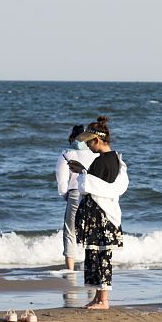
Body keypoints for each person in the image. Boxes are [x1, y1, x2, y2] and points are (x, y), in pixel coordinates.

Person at [69, 117, 129, 310]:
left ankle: (103, 300)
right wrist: (84, 171)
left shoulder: (101, 161)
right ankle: (97, 297)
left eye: (88, 142)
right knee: (96, 254)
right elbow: (101, 184)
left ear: (96, 140)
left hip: (99, 215)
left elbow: (89, 186)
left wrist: (81, 172)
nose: (87, 146)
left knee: (100, 255)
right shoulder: (115, 160)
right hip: (104, 213)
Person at [55, 124, 98, 271]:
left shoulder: (66, 154)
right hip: (92, 194)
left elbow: (61, 180)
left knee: (70, 232)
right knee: (91, 232)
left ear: (72, 138)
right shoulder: (95, 154)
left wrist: (64, 194)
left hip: (74, 193)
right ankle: (91, 268)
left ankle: (70, 270)